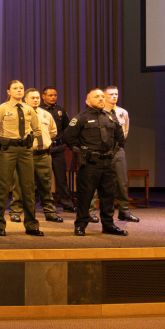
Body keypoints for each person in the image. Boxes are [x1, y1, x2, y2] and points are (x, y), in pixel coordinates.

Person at [63, 88, 127, 236]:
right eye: (96, 96)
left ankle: (108, 225)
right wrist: (82, 151)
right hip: (90, 164)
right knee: (86, 196)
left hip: (108, 163)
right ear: (87, 101)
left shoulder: (110, 117)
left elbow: (120, 138)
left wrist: (113, 151)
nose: (101, 99)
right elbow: (69, 138)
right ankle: (80, 225)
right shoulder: (81, 118)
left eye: (102, 97)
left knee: (108, 196)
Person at [0, 80, 43, 237]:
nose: (19, 90)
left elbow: (38, 130)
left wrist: (29, 137)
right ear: (8, 91)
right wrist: (3, 139)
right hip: (7, 150)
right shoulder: (3, 108)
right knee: (3, 188)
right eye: (15, 88)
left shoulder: (29, 109)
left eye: (21, 88)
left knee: (28, 189)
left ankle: (31, 225)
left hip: (25, 151)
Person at [10, 88, 64, 223]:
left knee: (46, 185)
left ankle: (50, 212)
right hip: (25, 155)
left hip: (44, 155)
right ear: (25, 100)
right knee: (21, 185)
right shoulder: (18, 114)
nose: (36, 100)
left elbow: (52, 132)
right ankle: (16, 211)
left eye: (37, 98)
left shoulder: (46, 114)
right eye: (32, 98)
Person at [104, 86, 139, 223]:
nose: (114, 96)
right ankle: (91, 212)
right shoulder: (100, 112)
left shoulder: (122, 112)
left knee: (122, 181)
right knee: (97, 182)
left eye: (116, 94)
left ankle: (124, 211)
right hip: (102, 151)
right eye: (111, 94)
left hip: (118, 150)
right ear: (104, 96)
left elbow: (125, 131)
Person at [39, 87, 76, 212]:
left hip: (58, 148)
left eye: (55, 95)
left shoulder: (61, 110)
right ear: (43, 96)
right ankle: (46, 204)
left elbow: (67, 128)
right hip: (45, 149)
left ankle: (67, 203)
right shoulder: (39, 110)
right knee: (44, 178)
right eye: (50, 95)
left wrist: (66, 142)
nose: (53, 97)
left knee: (61, 178)